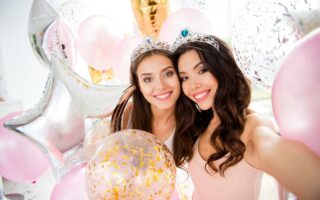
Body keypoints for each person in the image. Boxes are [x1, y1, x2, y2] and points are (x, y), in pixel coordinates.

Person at [171, 29, 320, 200]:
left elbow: (273, 149)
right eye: (184, 77)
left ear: (222, 70)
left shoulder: (252, 127)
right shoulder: (198, 125)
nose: (193, 85)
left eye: (202, 70)